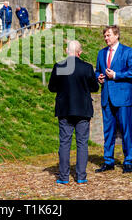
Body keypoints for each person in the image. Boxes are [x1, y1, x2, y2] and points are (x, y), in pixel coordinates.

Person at [48, 40, 99, 184]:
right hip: (83, 109)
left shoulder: (59, 66)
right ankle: (81, 176)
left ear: (66, 51)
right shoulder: (87, 67)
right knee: (82, 143)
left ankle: (64, 177)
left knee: (65, 143)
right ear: (80, 52)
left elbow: (52, 87)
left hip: (65, 109)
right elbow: (94, 88)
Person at [95, 25, 132, 174]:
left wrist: (116, 75)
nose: (106, 38)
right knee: (108, 131)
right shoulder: (101, 53)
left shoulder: (127, 51)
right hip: (107, 97)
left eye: (108, 35)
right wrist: (99, 77)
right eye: (105, 36)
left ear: (116, 35)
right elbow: (97, 71)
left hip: (123, 98)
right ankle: (108, 161)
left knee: (126, 130)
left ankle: (128, 161)